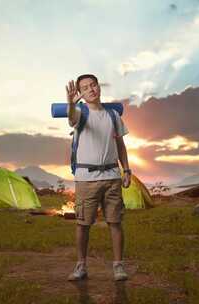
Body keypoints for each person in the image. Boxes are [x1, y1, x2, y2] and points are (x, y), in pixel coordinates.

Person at [65, 74, 132, 281]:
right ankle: (81, 266)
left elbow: (120, 145)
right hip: (86, 178)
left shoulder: (113, 115)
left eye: (93, 85)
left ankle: (118, 266)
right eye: (85, 87)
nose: (91, 89)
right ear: (81, 93)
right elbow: (71, 119)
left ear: (99, 87)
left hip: (112, 176)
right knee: (83, 224)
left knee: (115, 222)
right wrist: (69, 103)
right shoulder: (79, 112)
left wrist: (126, 170)